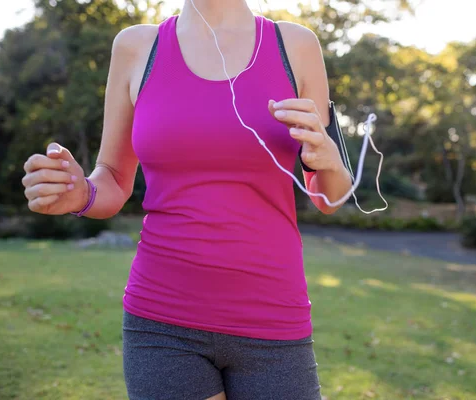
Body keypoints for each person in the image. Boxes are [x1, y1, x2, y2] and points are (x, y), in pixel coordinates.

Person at [21, 0, 353, 398]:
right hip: (161, 323)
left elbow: (328, 197)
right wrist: (80, 194)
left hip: (274, 322)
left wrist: (330, 163)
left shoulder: (296, 45)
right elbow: (111, 179)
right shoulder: (136, 47)